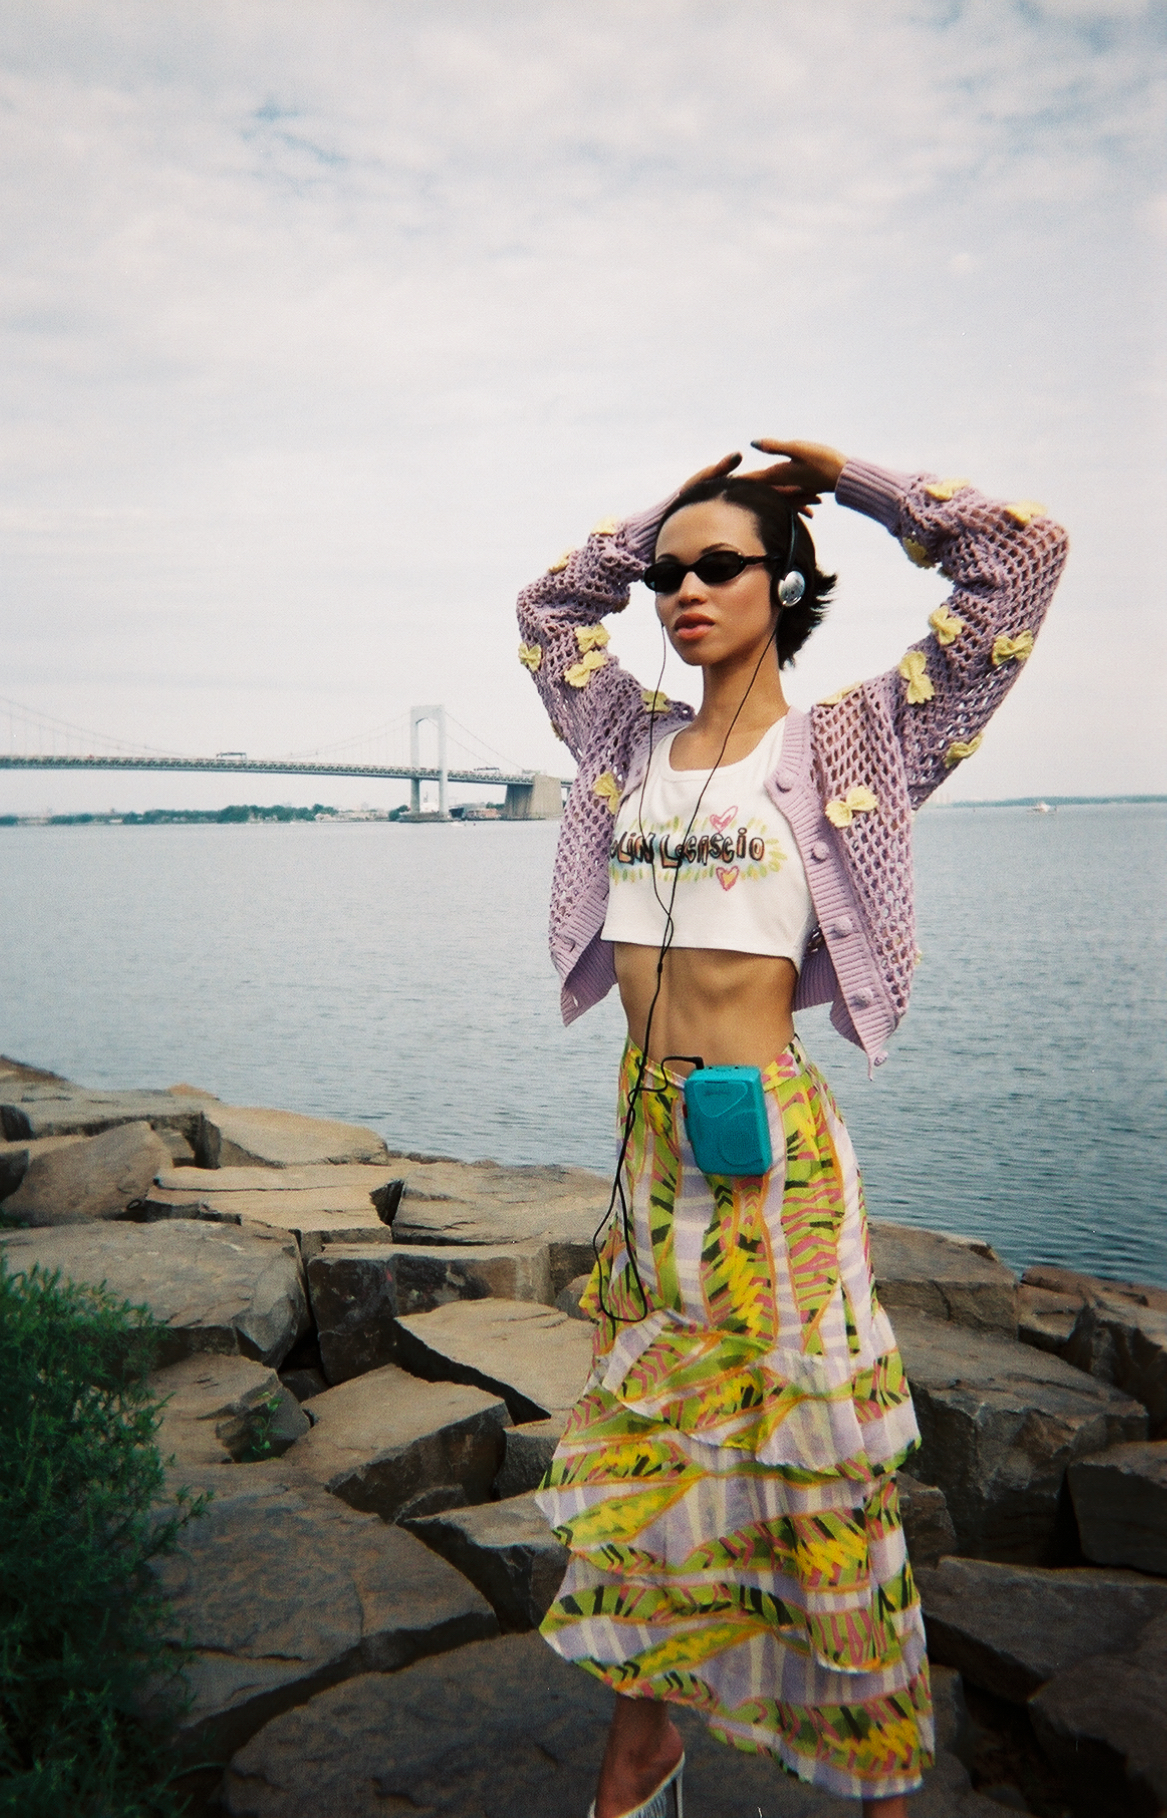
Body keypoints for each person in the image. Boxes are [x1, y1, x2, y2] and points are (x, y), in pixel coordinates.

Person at [515, 437, 1068, 1818]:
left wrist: (872, 486)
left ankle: (880, 1783)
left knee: (813, 1468)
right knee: (653, 1454)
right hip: (650, 1155)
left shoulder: (852, 737)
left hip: (765, 1151)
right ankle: (644, 1746)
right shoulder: (622, 737)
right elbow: (542, 611)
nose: (682, 586)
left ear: (786, 582)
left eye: (718, 564)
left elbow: (1023, 566)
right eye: (666, 572)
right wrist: (652, 512)